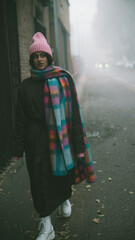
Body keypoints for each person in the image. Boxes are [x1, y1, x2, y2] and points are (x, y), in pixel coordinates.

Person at [12, 32, 96, 240]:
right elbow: (21, 120)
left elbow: (74, 114)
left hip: (60, 138)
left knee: (60, 176)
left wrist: (78, 146)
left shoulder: (63, 79)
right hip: (35, 140)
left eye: (43, 55)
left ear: (49, 57)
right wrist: (17, 149)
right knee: (38, 182)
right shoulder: (25, 86)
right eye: (35, 56)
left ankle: (64, 199)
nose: (39, 59)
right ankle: (46, 225)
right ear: (31, 59)